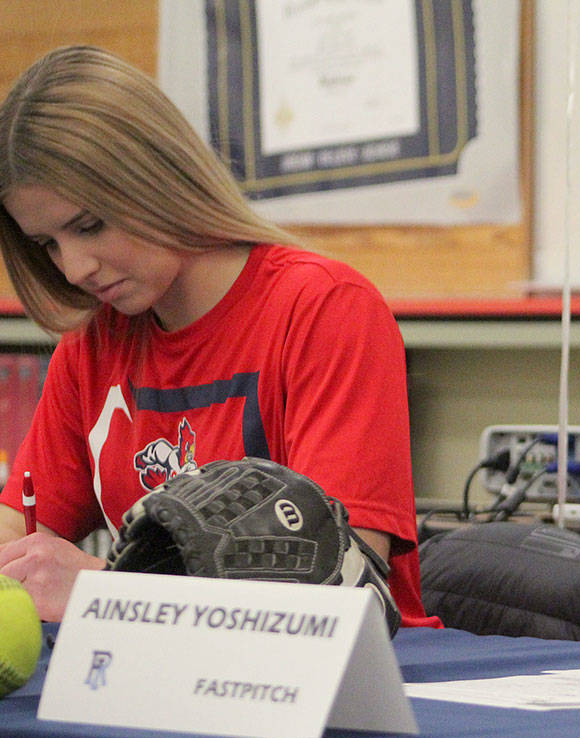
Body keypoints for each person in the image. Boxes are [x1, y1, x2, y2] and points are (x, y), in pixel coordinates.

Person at [0, 45, 438, 628]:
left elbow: (340, 585)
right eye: (48, 245)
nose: (75, 268)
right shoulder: (92, 346)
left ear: (157, 175)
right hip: (157, 666)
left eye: (89, 225)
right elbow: (17, 533)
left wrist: (105, 589)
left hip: (354, 671)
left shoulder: (325, 309)